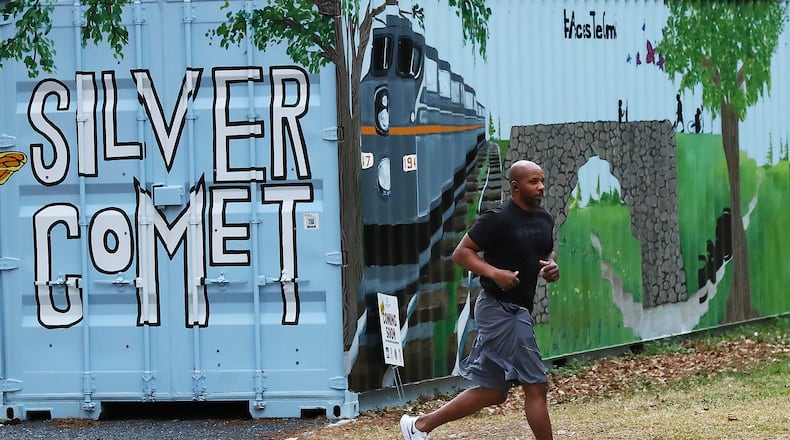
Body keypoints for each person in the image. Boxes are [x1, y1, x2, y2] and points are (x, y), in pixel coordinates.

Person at [400, 160, 560, 440]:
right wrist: (494, 273)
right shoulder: (497, 219)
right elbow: (462, 253)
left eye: (542, 181)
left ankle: (418, 426)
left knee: (494, 391)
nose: (541, 187)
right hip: (501, 310)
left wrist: (551, 265)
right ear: (515, 187)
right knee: (536, 385)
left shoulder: (544, 219)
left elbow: (546, 252)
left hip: (516, 308)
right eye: (533, 182)